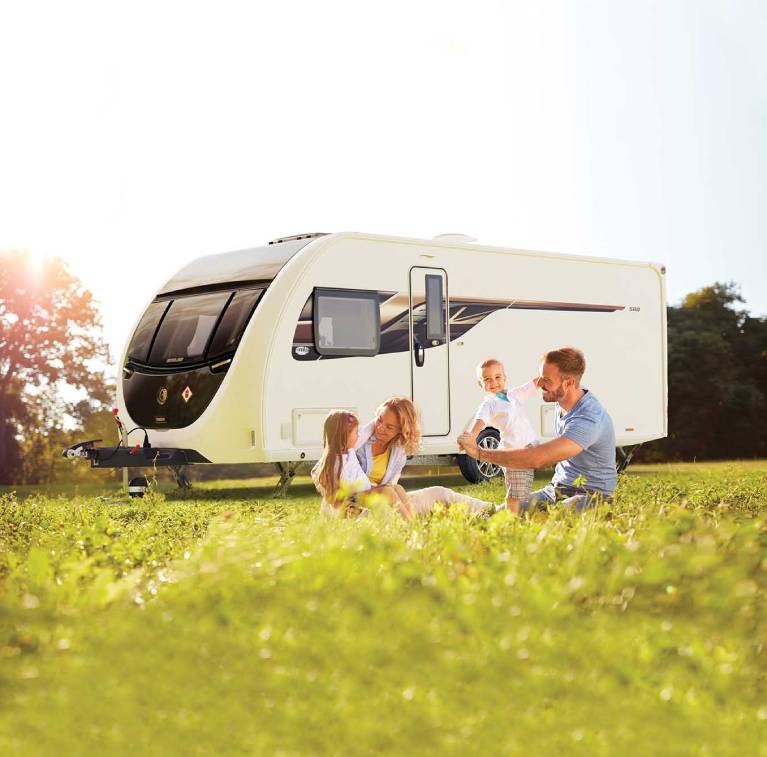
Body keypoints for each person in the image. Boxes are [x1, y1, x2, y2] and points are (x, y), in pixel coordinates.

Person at [458, 347, 616, 513]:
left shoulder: (589, 418)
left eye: (546, 380)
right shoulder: (563, 398)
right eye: (541, 378)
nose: (541, 385)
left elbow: (537, 458)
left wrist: (480, 453)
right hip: (556, 491)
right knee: (502, 514)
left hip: (591, 496)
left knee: (548, 519)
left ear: (568, 383)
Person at [313, 402, 495, 519]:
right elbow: (321, 470)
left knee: (439, 493)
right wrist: (344, 499)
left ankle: (492, 510)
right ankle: (410, 528)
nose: (381, 428)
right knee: (390, 495)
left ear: (401, 431)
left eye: (389, 427)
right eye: (379, 420)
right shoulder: (356, 440)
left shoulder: (398, 451)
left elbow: (391, 489)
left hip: (381, 505)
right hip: (352, 509)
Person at [311, 410, 413, 520]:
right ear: (344, 436)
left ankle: (413, 520)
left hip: (361, 493)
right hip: (350, 501)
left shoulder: (349, 452)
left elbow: (367, 431)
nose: (359, 435)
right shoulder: (336, 462)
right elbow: (343, 493)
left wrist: (382, 417)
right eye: (356, 432)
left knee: (398, 488)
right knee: (387, 492)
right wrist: (374, 489)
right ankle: (409, 523)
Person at [469, 358, 541, 509]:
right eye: (487, 379)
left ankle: (517, 515)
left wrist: (547, 379)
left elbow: (532, 384)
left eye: (497, 377)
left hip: (529, 447)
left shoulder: (514, 394)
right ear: (480, 384)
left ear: (505, 378)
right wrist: (471, 437)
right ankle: (511, 519)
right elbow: (480, 420)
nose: (494, 382)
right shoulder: (489, 404)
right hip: (513, 450)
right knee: (516, 491)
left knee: (524, 486)